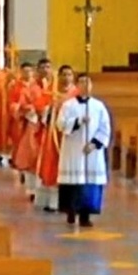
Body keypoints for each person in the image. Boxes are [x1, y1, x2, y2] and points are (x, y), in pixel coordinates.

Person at [56, 73, 112, 227]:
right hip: (73, 150)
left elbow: (105, 128)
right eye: (81, 82)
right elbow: (60, 124)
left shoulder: (98, 106)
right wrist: (78, 122)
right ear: (76, 86)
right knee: (73, 182)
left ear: (91, 86)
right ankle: (71, 211)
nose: (84, 86)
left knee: (89, 183)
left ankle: (86, 215)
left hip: (91, 152)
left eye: (87, 82)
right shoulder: (68, 105)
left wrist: (94, 144)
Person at [35, 65, 78, 212]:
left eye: (69, 75)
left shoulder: (77, 95)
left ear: (73, 77)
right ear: (58, 76)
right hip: (53, 136)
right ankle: (52, 202)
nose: (66, 78)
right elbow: (41, 110)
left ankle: (69, 202)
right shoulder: (52, 94)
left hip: (71, 137)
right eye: (63, 75)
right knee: (53, 165)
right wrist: (49, 109)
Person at [10, 62, 43, 199]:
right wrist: (21, 109)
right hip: (23, 123)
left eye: (30, 71)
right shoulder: (16, 87)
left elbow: (43, 101)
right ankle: (26, 178)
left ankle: (38, 187)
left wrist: (37, 109)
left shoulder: (37, 87)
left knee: (37, 155)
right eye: (25, 71)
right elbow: (12, 104)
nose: (28, 73)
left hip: (39, 123)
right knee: (25, 153)